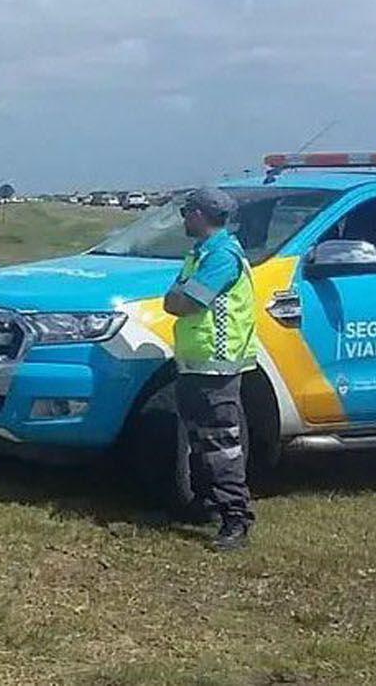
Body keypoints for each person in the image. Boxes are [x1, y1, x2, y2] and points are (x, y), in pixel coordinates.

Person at [162, 187, 258, 551]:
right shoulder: (200, 255)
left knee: (222, 445)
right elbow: (174, 298)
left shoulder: (221, 257)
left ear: (201, 215)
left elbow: (183, 303)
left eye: (187, 211)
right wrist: (176, 298)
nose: (184, 218)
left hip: (216, 366)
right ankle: (206, 506)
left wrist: (177, 298)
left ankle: (236, 518)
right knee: (200, 442)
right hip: (195, 364)